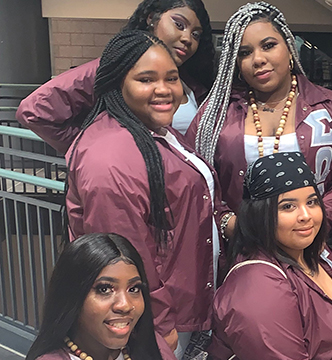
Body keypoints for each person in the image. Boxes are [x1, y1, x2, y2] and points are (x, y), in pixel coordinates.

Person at [64, 30, 230, 359]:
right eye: (146, 79)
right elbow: (124, 258)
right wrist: (159, 323)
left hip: (180, 305)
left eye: (172, 78)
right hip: (153, 321)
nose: (165, 89)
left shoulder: (151, 131)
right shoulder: (111, 160)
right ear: (116, 84)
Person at [187, 2, 332, 234]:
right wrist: (233, 226)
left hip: (311, 248)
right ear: (236, 63)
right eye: (245, 52)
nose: (258, 59)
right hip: (241, 251)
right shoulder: (216, 113)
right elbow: (195, 182)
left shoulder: (329, 105)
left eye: (268, 45)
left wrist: (316, 225)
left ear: (290, 48)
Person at [209, 152, 332, 360]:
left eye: (311, 202)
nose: (305, 216)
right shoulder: (260, 287)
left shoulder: (317, 255)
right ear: (260, 214)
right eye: (288, 207)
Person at [16, 0, 214, 152]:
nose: (187, 38)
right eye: (179, 25)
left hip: (184, 192)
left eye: (196, 34)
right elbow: (34, 110)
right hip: (134, 188)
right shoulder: (116, 68)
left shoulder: (192, 85)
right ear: (151, 18)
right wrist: (92, 147)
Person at [26, 233, 175, 360]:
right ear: (72, 298)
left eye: (134, 288)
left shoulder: (154, 348)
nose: (125, 305)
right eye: (104, 289)